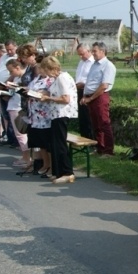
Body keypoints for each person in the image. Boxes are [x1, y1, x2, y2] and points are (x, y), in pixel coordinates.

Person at [39, 56, 78, 184]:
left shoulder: (62, 78)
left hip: (62, 113)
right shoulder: (56, 78)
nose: (45, 73)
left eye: (46, 70)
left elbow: (66, 99)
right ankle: (59, 171)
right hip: (56, 114)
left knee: (60, 143)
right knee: (56, 143)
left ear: (52, 68)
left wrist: (48, 99)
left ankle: (67, 172)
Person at [21, 48, 54, 177]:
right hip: (34, 115)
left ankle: (50, 165)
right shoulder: (37, 79)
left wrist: (38, 94)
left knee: (45, 142)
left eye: (41, 68)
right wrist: (25, 90)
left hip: (44, 115)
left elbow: (48, 93)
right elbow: (31, 88)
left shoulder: (49, 80)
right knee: (39, 143)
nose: (39, 70)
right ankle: (43, 164)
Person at [80, 42, 116, 156]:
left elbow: (104, 85)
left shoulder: (108, 65)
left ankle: (108, 150)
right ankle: (100, 148)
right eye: (92, 51)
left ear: (102, 51)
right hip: (91, 96)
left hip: (100, 97)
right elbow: (91, 82)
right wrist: (85, 96)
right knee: (95, 124)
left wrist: (91, 98)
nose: (93, 53)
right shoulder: (94, 64)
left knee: (104, 123)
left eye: (95, 51)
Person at [4, 59, 30, 167]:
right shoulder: (17, 77)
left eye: (11, 71)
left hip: (18, 107)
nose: (10, 74)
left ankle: (27, 158)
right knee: (19, 134)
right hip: (13, 105)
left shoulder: (25, 77)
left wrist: (15, 87)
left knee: (21, 134)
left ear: (18, 67)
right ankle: (25, 156)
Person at [74, 43, 95, 139]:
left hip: (88, 91)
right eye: (79, 54)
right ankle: (84, 138)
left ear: (89, 51)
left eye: (82, 54)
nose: (81, 56)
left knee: (89, 117)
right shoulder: (81, 62)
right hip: (78, 90)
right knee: (82, 117)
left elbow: (94, 79)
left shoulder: (94, 62)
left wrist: (84, 84)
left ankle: (91, 139)